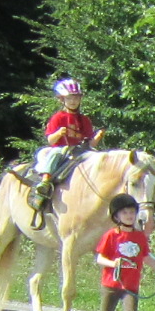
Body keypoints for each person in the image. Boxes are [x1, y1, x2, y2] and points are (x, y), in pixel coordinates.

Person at [34, 77, 98, 223]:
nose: (73, 101)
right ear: (62, 99)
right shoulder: (58, 117)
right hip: (62, 149)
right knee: (57, 153)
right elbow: (50, 140)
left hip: (79, 150)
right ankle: (45, 181)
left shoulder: (85, 120)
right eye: (69, 98)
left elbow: (90, 143)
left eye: (76, 97)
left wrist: (97, 137)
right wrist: (58, 133)